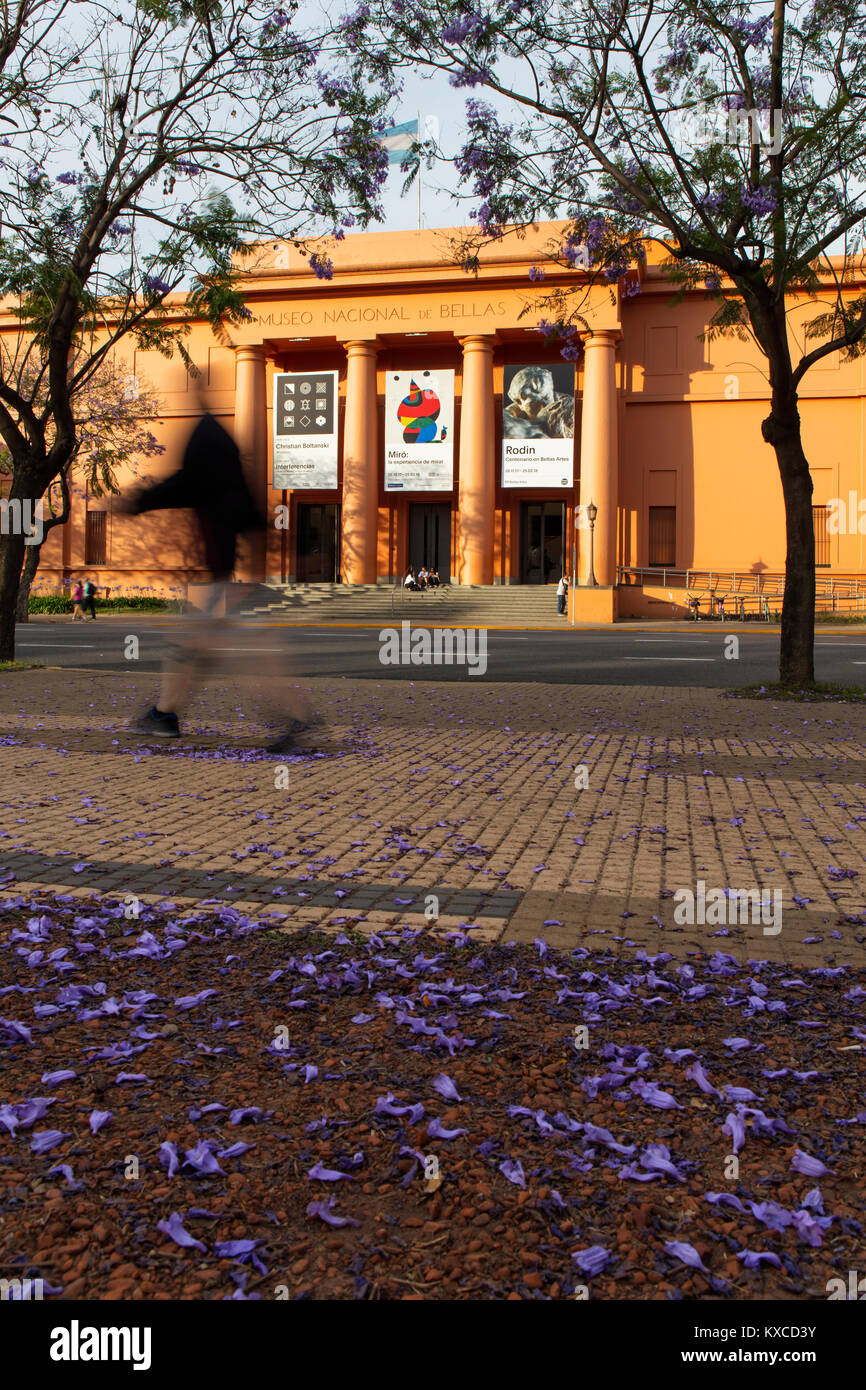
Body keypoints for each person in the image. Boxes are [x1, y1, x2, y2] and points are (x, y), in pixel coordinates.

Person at [119, 395, 315, 751]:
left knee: (240, 655)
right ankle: (164, 714)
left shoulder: (205, 464)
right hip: (225, 581)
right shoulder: (231, 476)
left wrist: (135, 502)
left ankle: (297, 717)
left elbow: (180, 485)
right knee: (195, 648)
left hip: (220, 582)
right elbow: (253, 519)